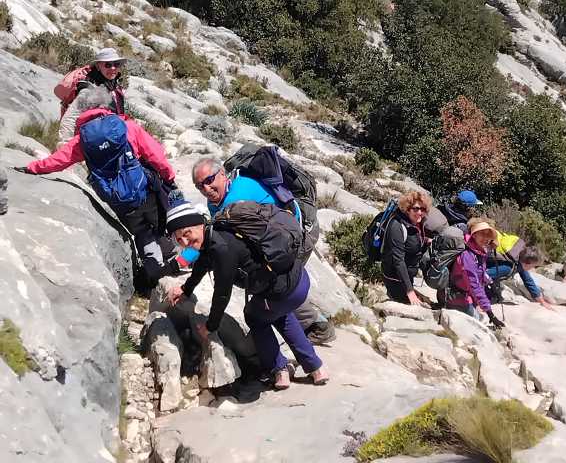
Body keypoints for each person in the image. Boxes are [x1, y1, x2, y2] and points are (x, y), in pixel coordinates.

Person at [16, 87, 179, 283]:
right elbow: (156, 155)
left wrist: (32, 168)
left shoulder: (83, 139)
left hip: (119, 201)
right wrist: (169, 177)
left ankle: (154, 275)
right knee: (161, 224)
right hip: (144, 190)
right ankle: (173, 262)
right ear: (106, 105)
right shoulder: (127, 126)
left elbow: (58, 160)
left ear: (84, 109)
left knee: (142, 233)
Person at [164, 201, 329, 390]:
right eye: (179, 239)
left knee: (255, 316)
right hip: (298, 278)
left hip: (283, 291)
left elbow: (222, 294)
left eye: (187, 234)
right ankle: (316, 368)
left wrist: (210, 326)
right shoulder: (219, 231)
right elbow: (203, 263)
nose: (185, 242)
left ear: (199, 225)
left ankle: (278, 370)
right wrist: (186, 289)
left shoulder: (222, 249)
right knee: (279, 315)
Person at [191, 156, 336, 345]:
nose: (206, 189)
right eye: (199, 186)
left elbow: (214, 240)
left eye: (209, 181)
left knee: (278, 287)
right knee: (274, 287)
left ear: (221, 174)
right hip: (279, 235)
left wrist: (184, 259)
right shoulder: (219, 198)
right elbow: (216, 238)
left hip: (296, 234)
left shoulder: (235, 198)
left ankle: (318, 327)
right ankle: (304, 328)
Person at [57, 47, 127, 144]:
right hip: (89, 144)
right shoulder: (89, 90)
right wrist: (65, 145)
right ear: (98, 66)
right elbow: (69, 119)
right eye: (108, 65)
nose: (113, 68)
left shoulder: (112, 85)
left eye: (116, 64)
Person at [446, 219, 505, 327]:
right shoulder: (467, 255)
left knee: (479, 319)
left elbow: (480, 276)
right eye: (482, 234)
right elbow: (474, 285)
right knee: (478, 323)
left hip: (466, 297)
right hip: (457, 299)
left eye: (488, 235)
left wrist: (489, 283)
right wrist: (491, 314)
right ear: (474, 235)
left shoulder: (479, 252)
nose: (486, 238)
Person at [381, 190, 431, 305]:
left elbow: (410, 243)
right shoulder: (397, 226)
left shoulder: (414, 223)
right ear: (407, 208)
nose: (420, 213)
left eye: (422, 209)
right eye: (416, 209)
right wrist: (410, 291)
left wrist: (426, 241)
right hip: (395, 279)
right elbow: (398, 260)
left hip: (407, 277)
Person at [487, 235, 553, 309]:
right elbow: (482, 275)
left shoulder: (519, 260)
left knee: (496, 296)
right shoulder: (507, 268)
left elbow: (528, 281)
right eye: (533, 266)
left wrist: (542, 301)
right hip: (479, 272)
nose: (533, 268)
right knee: (491, 298)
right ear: (528, 264)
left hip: (490, 275)